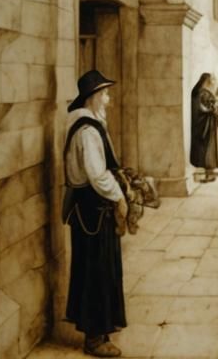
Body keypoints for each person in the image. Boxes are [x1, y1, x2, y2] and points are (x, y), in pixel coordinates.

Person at [62, 70, 129, 357]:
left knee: (99, 271)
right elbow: (97, 175)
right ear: (92, 98)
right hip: (93, 211)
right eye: (104, 94)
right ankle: (94, 339)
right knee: (96, 273)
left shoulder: (90, 124)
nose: (108, 99)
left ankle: (98, 332)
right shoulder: (87, 131)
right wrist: (119, 198)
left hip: (93, 209)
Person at [189, 73, 218, 182]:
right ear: (206, 81)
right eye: (210, 80)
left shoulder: (201, 92)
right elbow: (202, 108)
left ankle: (207, 172)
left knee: (205, 147)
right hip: (203, 124)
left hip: (204, 122)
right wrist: (213, 109)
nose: (211, 82)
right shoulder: (201, 92)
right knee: (203, 147)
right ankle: (205, 173)